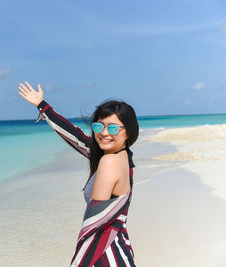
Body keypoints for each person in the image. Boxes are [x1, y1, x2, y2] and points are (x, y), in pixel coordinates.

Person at [18, 81, 139, 267]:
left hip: (105, 255)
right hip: (119, 249)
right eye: (99, 127)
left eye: (113, 128)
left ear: (128, 133)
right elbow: (76, 137)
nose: (104, 133)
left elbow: (92, 227)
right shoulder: (122, 157)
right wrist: (43, 106)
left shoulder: (109, 162)